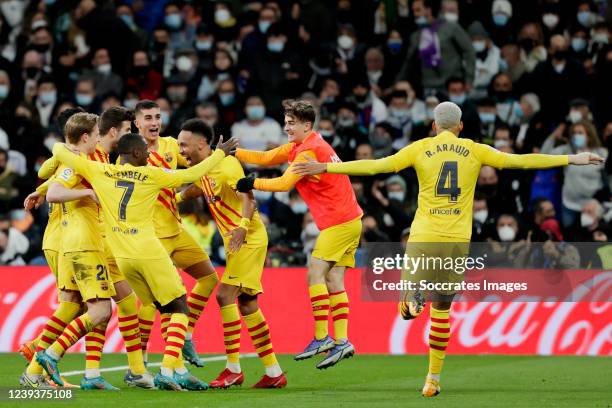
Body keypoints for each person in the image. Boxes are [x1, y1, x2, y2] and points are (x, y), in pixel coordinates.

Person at [292, 101, 603, 397]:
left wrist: (329, 168)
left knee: (408, 299)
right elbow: (520, 160)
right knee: (442, 310)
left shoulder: (421, 148)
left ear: (433, 125)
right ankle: (432, 379)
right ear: (461, 127)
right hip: (457, 240)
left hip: (424, 234)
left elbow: (376, 166)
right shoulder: (474, 149)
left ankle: (410, 298)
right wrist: (572, 159)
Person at [39, 131, 236, 390]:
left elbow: (59, 151)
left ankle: (53, 354)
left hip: (123, 258)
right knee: (178, 306)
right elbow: (190, 175)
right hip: (148, 251)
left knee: (160, 306)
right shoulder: (151, 174)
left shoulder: (100, 171)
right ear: (135, 154)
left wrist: (64, 146)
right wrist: (220, 153)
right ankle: (168, 370)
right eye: (145, 150)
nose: (149, 154)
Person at [234, 99, 362, 369]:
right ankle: (342, 341)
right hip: (351, 220)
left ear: (306, 124)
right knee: (334, 278)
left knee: (314, 273)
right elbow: (267, 157)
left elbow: (283, 184)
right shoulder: (307, 145)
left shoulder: (308, 152)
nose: (286, 127)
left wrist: (251, 183)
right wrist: (234, 153)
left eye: (292, 123)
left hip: (338, 222)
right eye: (286, 122)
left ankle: (321, 337)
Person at [177, 118, 287, 388]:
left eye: (184, 144)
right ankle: (274, 373)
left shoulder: (226, 167)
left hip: (246, 238)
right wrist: (177, 198)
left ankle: (232, 369)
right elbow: (199, 187)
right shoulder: (205, 166)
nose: (181, 150)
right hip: (236, 240)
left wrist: (242, 227)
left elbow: (247, 195)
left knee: (225, 294)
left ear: (201, 143)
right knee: (247, 303)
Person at [132, 100, 220, 368]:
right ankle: (141, 363)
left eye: (158, 116)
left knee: (208, 278)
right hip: (150, 236)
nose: (154, 122)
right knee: (156, 301)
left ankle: (186, 335)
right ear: (136, 123)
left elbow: (198, 165)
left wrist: (218, 171)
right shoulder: (131, 153)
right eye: (147, 118)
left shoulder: (172, 145)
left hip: (175, 230)